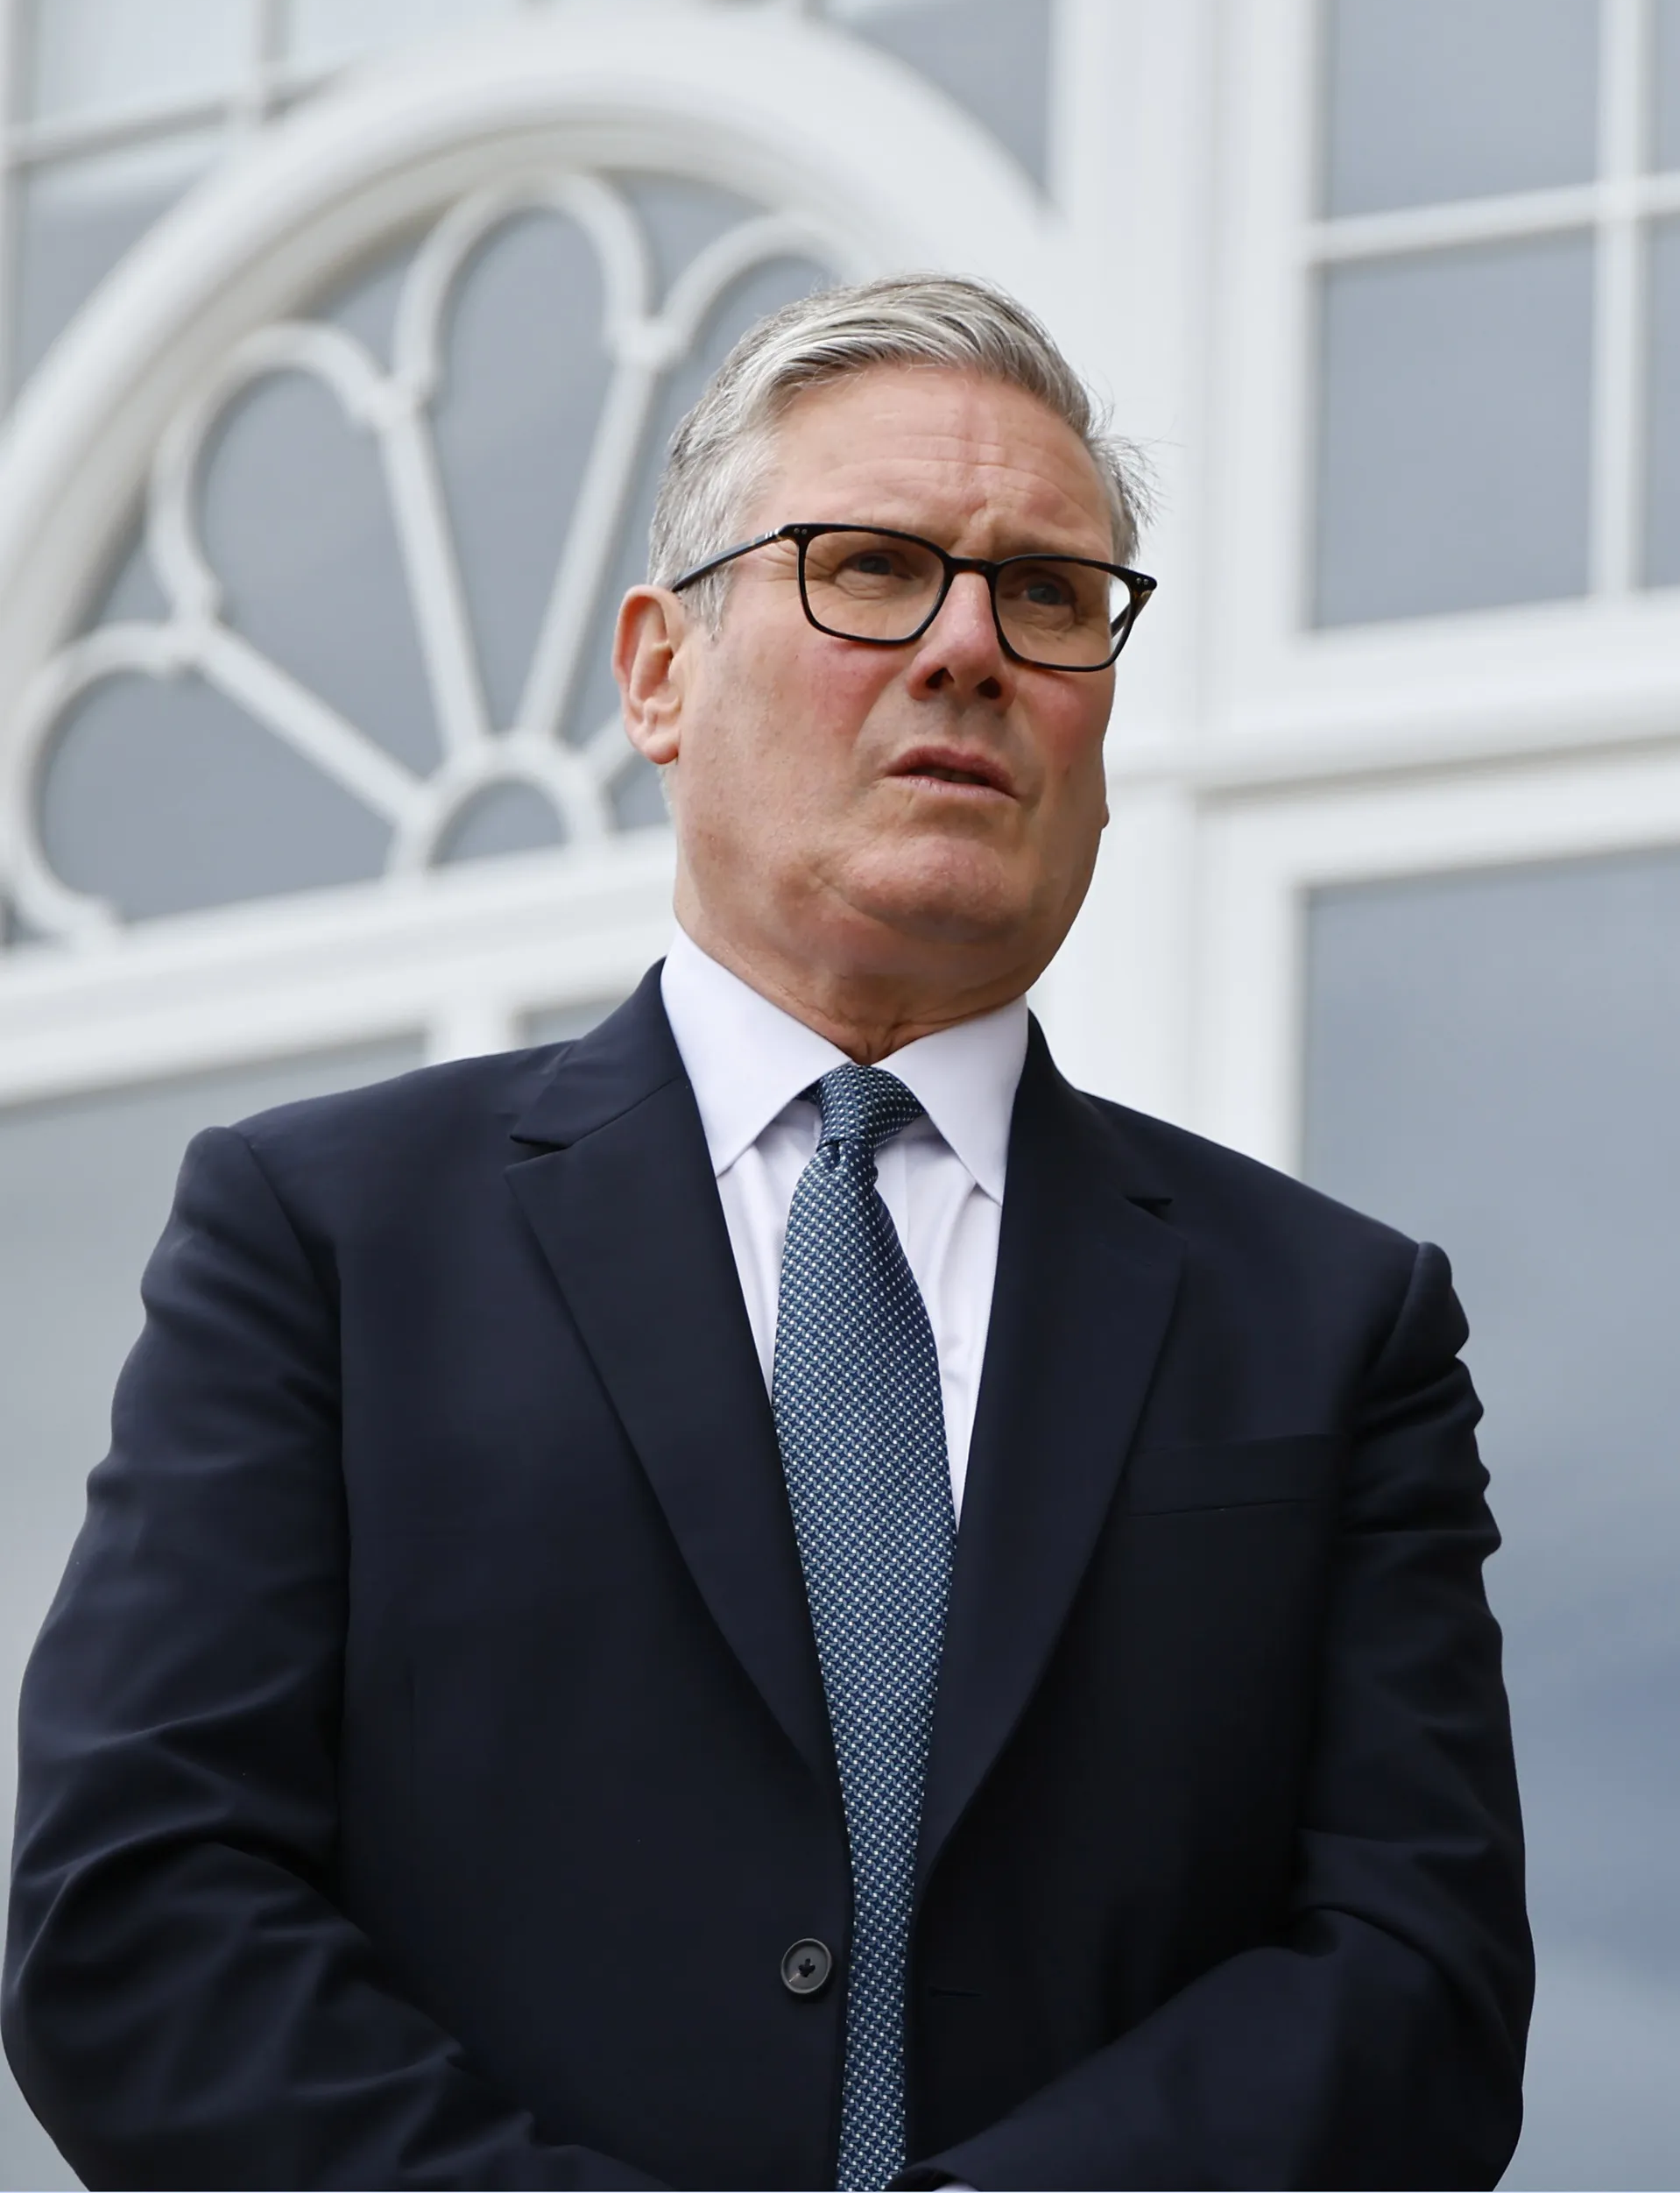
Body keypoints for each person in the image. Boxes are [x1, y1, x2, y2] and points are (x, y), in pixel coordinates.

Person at [7, 277, 1528, 2189]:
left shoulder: (1329, 1321)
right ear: (657, 670)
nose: (969, 644)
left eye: (1049, 593)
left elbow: (1419, 1976)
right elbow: (136, 1914)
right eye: (872, 566)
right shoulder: (322, 1239)